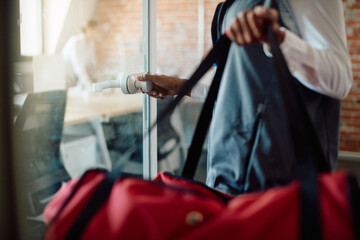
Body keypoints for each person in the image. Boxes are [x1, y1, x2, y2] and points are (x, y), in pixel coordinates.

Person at [137, 0, 353, 195]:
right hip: (226, 163)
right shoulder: (229, 7)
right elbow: (236, 90)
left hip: (277, 171)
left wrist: (280, 41)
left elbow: (341, 79)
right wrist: (180, 86)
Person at [61, 19, 100, 91]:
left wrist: (97, 79)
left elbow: (92, 64)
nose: (97, 33)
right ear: (88, 29)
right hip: (65, 77)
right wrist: (90, 86)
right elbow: (78, 66)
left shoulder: (91, 44)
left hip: (76, 78)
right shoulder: (75, 42)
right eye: (96, 30)